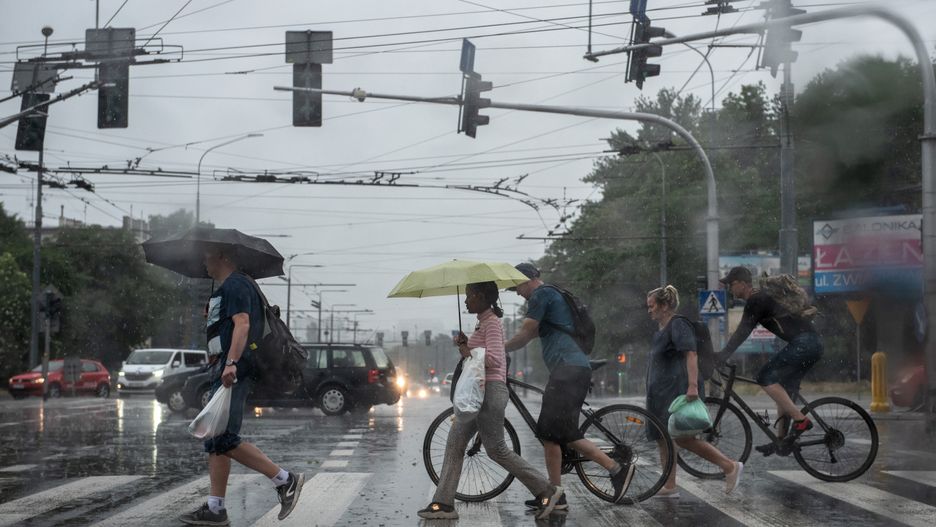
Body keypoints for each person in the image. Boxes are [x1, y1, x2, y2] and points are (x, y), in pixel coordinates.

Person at [418, 281, 563, 521]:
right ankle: (444, 504)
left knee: (496, 449)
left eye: (470, 296)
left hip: (489, 391)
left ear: (483, 297)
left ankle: (547, 490)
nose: (466, 301)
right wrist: (466, 345)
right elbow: (480, 357)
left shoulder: (492, 323)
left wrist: (468, 352)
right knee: (455, 444)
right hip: (479, 391)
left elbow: (495, 360)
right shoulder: (483, 323)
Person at [180, 247, 304, 526]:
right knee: (215, 439)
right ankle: (215, 508)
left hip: (231, 370)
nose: (203, 259)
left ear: (222, 256)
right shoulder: (228, 288)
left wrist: (231, 363)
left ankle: (286, 480)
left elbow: (243, 324)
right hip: (222, 368)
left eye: (207, 255)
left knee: (223, 437)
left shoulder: (236, 284)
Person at [504, 263, 635, 506]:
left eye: (518, 287)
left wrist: (497, 349)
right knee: (550, 434)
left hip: (569, 370)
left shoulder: (541, 295)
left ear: (529, 279)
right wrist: (508, 345)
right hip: (569, 370)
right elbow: (529, 335)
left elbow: (525, 331)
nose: (518, 293)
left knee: (556, 432)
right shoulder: (552, 294)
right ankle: (556, 495)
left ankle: (616, 468)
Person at [645, 285, 743, 498]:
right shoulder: (662, 329)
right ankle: (669, 486)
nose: (649, 310)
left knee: (684, 438)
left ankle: (729, 466)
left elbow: (691, 354)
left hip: (678, 390)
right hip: (663, 393)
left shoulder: (678, 324)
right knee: (665, 438)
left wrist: (691, 385)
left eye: (652, 306)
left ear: (664, 306)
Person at [717, 266, 823, 455]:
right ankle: (781, 441)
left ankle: (801, 420)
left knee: (764, 376)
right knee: (783, 387)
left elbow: (743, 331)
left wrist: (722, 355)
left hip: (805, 343)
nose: (729, 289)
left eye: (731, 284)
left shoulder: (756, 300)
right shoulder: (762, 298)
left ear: (742, 283)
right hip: (810, 343)